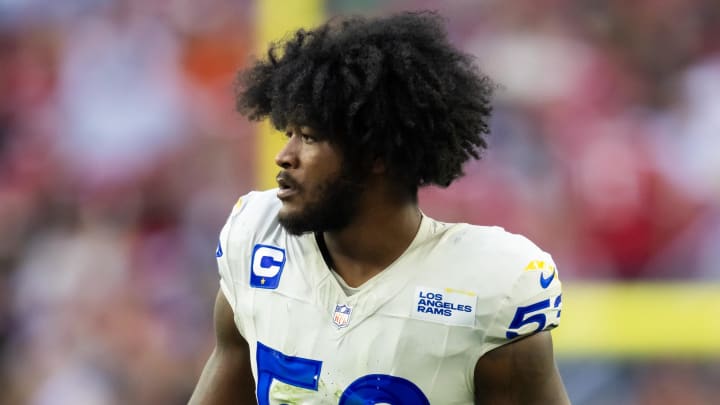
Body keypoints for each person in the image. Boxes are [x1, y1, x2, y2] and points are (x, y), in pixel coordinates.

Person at [189, 11, 569, 404]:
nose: (284, 156)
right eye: (288, 134)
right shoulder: (255, 235)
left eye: (310, 137)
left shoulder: (489, 287)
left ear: (377, 155)